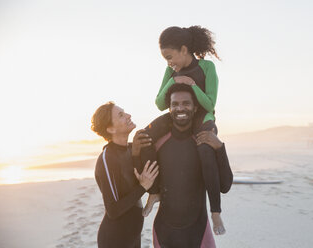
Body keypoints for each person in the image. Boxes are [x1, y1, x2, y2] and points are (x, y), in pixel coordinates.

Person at [141, 25, 232, 235]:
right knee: (144, 136)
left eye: (170, 56)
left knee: (204, 148)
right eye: (165, 58)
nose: (168, 62)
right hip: (177, 114)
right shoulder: (170, 71)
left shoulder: (207, 67)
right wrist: (173, 79)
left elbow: (210, 104)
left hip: (202, 116)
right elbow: (160, 103)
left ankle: (216, 212)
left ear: (184, 49)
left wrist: (191, 85)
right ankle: (154, 193)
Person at [152, 83, 231, 247]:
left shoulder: (204, 143)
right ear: (169, 109)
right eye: (175, 104)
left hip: (198, 232)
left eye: (186, 103)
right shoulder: (159, 144)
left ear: (195, 108)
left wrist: (220, 148)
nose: (180, 108)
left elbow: (225, 185)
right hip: (164, 233)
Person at [91, 102, 159, 248]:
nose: (128, 116)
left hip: (133, 237)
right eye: (121, 115)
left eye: (125, 112)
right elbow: (113, 210)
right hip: (115, 240)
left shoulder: (131, 149)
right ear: (110, 128)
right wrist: (143, 187)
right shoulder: (107, 158)